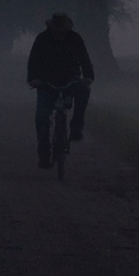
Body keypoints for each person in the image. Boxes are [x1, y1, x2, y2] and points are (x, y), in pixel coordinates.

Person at [27, 12, 94, 168]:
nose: (59, 33)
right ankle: (44, 154)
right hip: (46, 82)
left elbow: (84, 59)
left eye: (62, 30)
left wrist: (88, 77)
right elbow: (33, 60)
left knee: (85, 91)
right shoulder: (42, 39)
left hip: (70, 79)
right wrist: (33, 79)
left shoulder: (75, 38)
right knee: (41, 118)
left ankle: (76, 127)